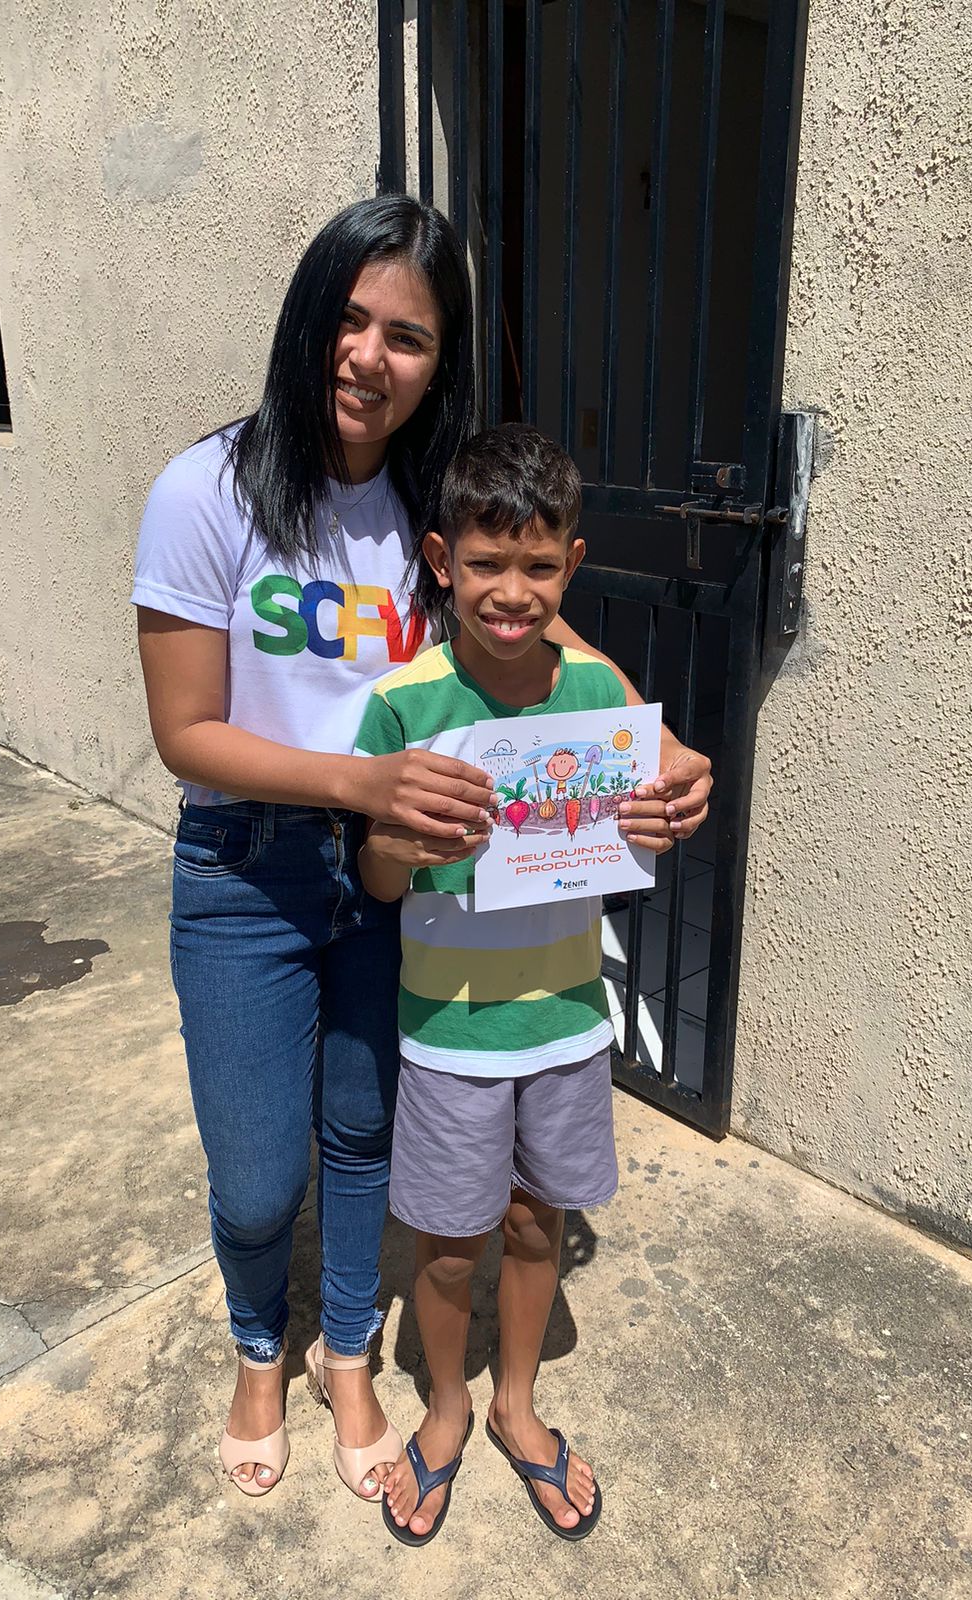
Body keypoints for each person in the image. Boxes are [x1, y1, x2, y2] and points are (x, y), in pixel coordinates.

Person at [132, 196, 711, 1506]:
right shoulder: (204, 490)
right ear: (308, 316)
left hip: (400, 868)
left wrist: (653, 744)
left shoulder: (426, 503)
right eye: (349, 318)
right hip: (249, 869)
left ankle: (345, 1353)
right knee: (257, 1176)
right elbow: (185, 732)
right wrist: (364, 782)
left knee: (363, 1134)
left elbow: (538, 630)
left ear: (439, 361)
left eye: (407, 336)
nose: (368, 357)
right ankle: (256, 1346)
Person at [355, 423, 668, 1544]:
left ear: (572, 565)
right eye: (486, 562)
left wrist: (651, 820)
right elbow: (377, 880)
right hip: (449, 1029)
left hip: (569, 1020)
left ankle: (515, 1404)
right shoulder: (403, 703)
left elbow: (641, 816)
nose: (512, 591)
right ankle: (446, 1406)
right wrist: (399, 838)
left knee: (538, 1225)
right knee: (447, 1245)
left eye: (539, 565)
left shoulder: (597, 693)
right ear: (442, 561)